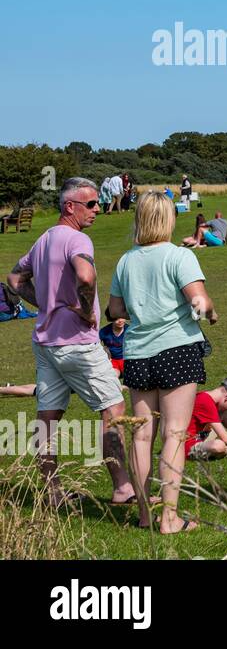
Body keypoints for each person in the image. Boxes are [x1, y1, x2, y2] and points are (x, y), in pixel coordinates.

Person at [6, 177, 133, 507]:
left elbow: (15, 279)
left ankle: (52, 492)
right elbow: (86, 276)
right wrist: (85, 308)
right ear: (69, 207)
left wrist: (45, 304)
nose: (97, 210)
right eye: (90, 204)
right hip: (77, 342)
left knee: (47, 419)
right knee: (114, 410)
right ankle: (122, 487)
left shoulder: (45, 239)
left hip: (45, 343)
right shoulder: (78, 240)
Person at [108, 190, 217, 533]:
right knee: (174, 433)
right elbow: (198, 300)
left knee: (142, 437)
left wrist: (141, 309)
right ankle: (169, 518)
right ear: (169, 219)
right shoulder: (179, 256)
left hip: (138, 352)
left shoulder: (126, 260)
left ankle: (144, 514)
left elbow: (114, 311)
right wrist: (210, 313)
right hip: (177, 349)